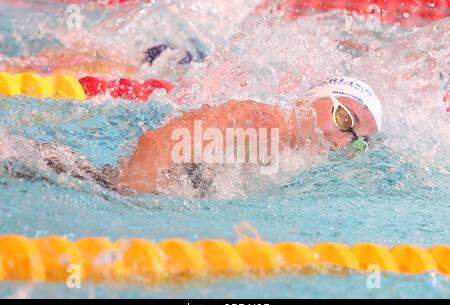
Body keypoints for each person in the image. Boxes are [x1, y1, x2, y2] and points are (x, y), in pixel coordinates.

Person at [0, 77, 382, 195]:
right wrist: (130, 201)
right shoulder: (266, 122)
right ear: (312, 100)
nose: (341, 140)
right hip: (100, 186)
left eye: (356, 140)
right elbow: (158, 143)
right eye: (345, 119)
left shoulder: (290, 155)